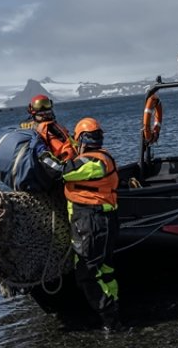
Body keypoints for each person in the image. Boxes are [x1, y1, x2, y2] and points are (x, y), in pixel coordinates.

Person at [39, 117, 121, 333]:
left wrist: (42, 154)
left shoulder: (93, 162)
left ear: (82, 139)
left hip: (91, 222)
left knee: (87, 273)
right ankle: (112, 313)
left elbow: (61, 171)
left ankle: (109, 320)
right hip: (100, 220)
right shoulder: (101, 158)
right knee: (106, 271)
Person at [21, 94, 75, 162]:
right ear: (32, 109)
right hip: (61, 162)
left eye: (46, 103)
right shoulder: (29, 128)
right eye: (38, 105)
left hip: (69, 157)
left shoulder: (54, 126)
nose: (43, 107)